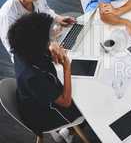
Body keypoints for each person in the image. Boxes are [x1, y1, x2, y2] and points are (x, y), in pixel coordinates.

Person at [8, 13, 83, 143]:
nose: (53, 39)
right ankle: (65, 132)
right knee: (85, 104)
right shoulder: (32, 77)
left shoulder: (20, 49)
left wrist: (50, 48)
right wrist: (67, 68)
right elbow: (66, 102)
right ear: (37, 44)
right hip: (45, 116)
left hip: (35, 98)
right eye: (49, 38)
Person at [0, 0, 75, 61]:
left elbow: (45, 9)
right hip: (28, 55)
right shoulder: (7, 15)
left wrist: (58, 18)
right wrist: (46, 41)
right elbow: (13, 47)